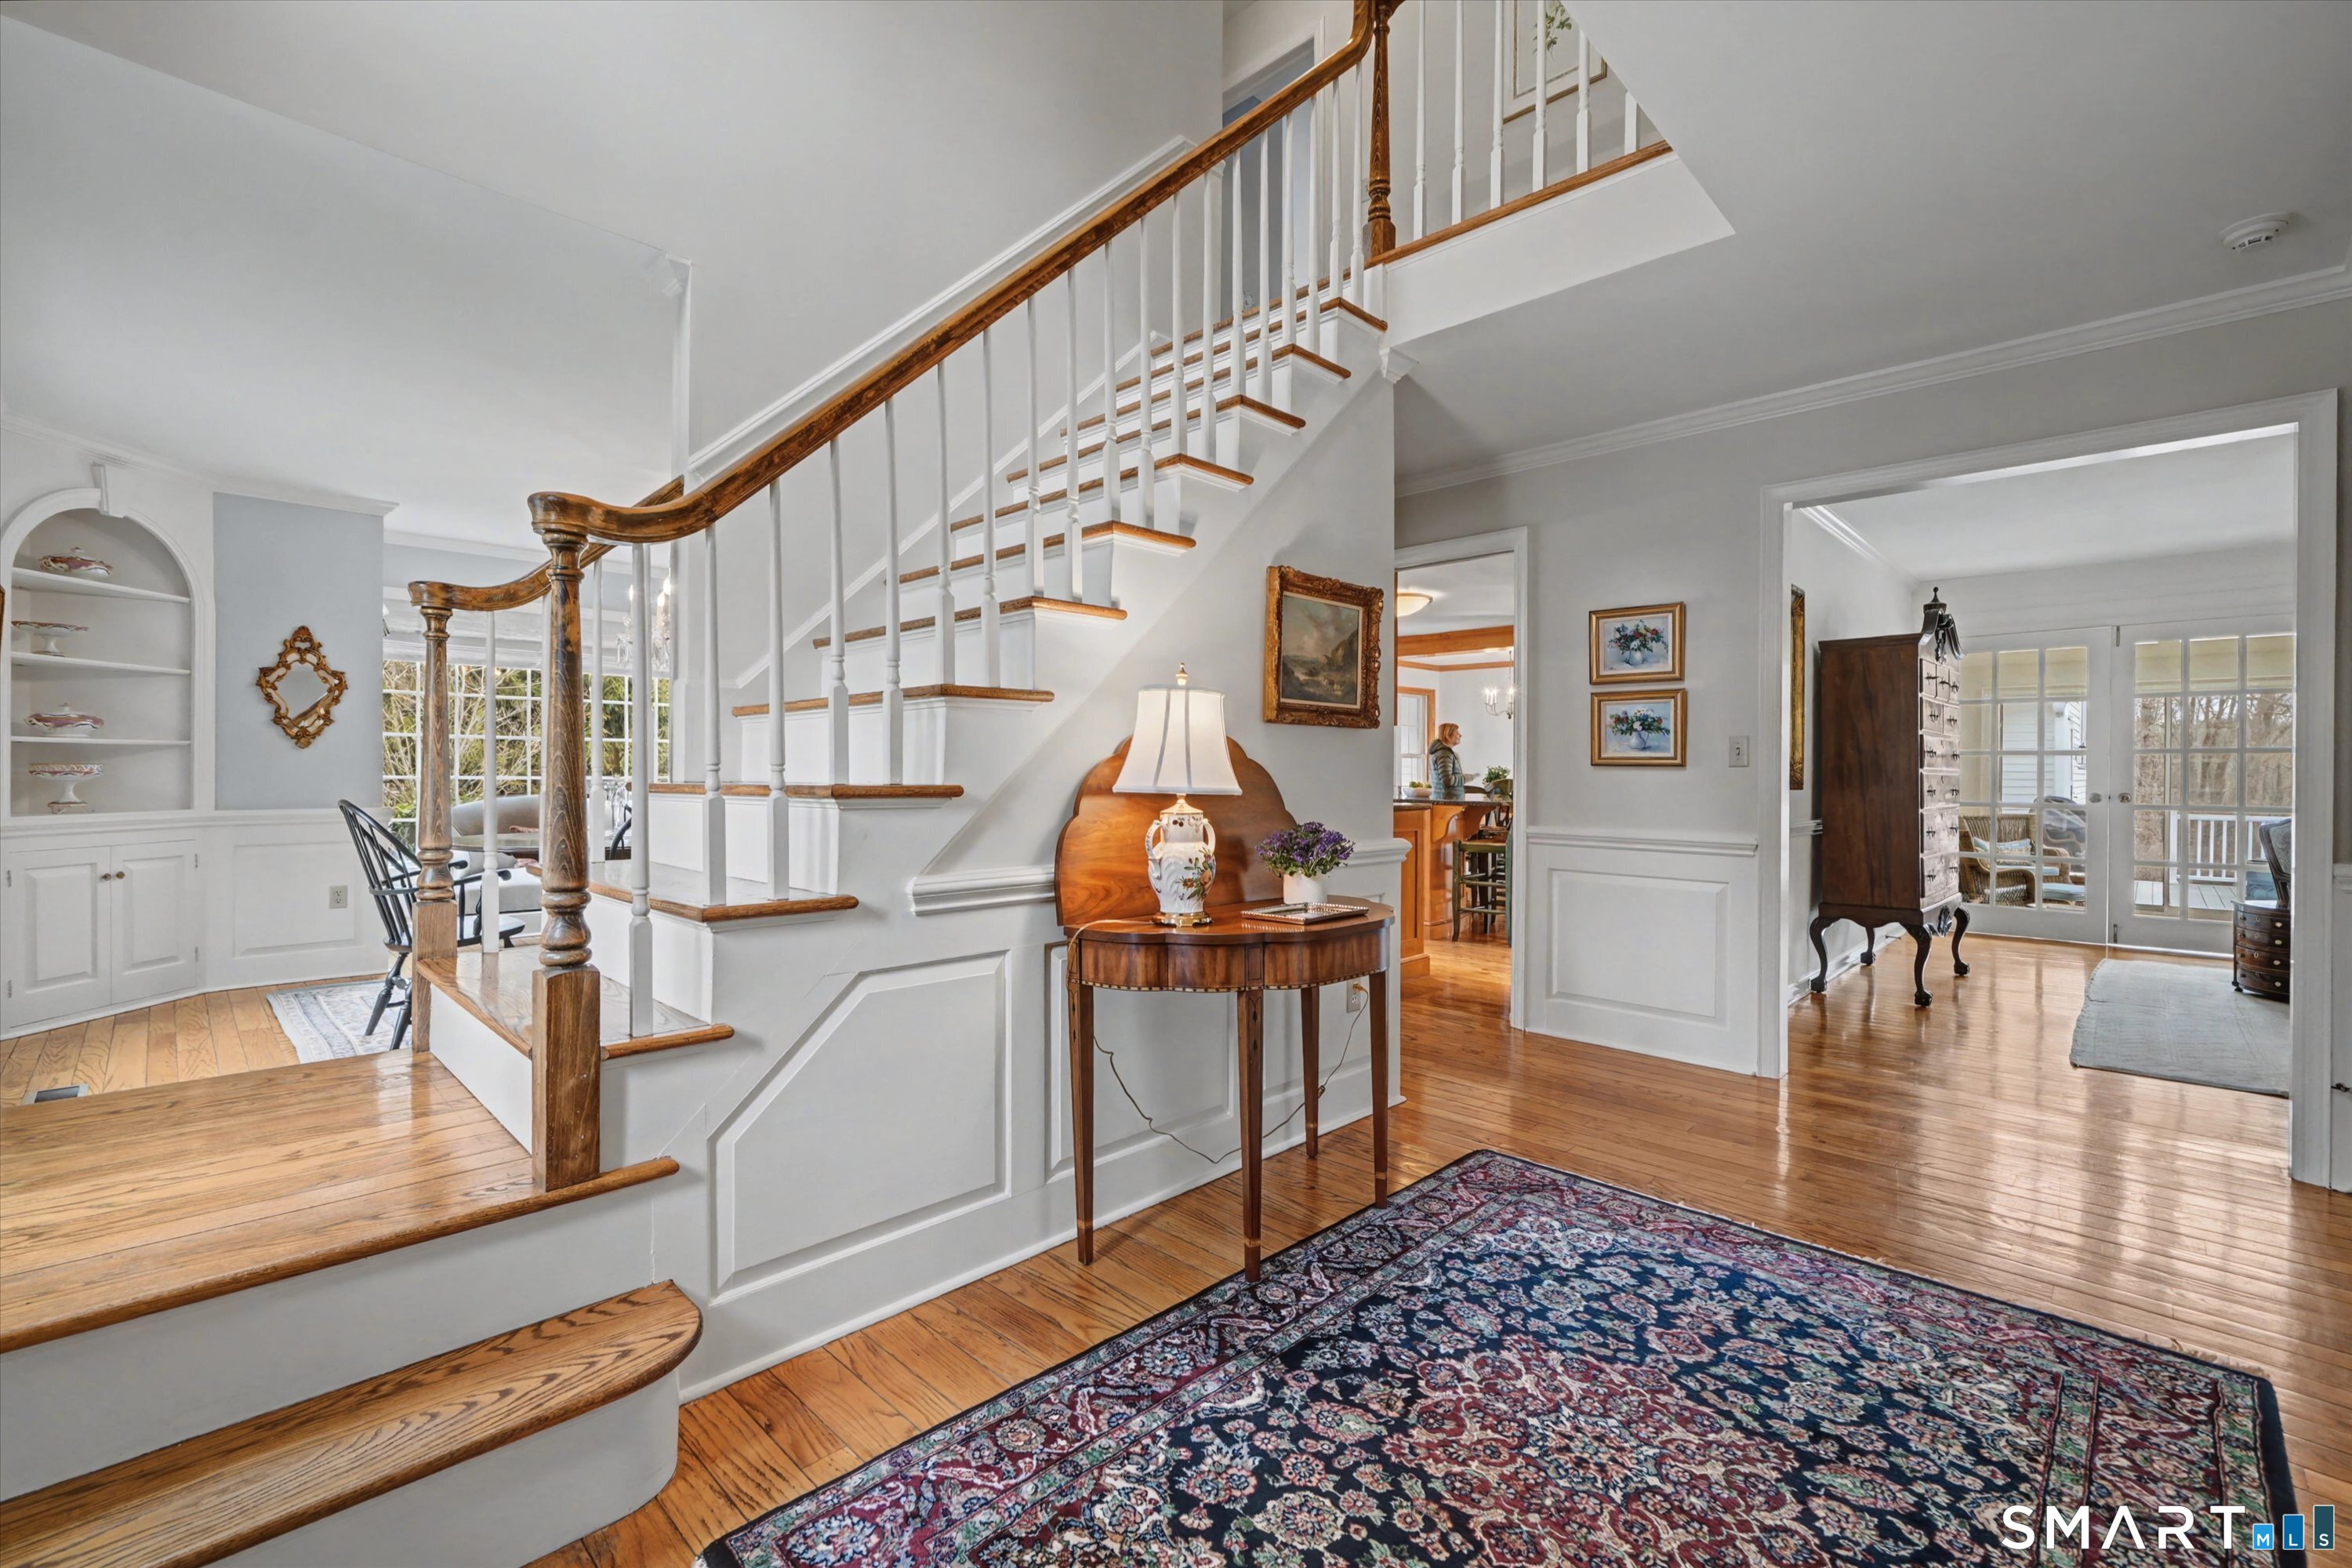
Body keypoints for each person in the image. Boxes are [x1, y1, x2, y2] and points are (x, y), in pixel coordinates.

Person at [1428, 723, 1465, 800]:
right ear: (1448, 736)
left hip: (1448, 802)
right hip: (1447, 804)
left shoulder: (1446, 753)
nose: (1460, 735)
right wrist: (1466, 777)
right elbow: (1448, 780)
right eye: (1457, 733)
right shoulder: (1444, 754)